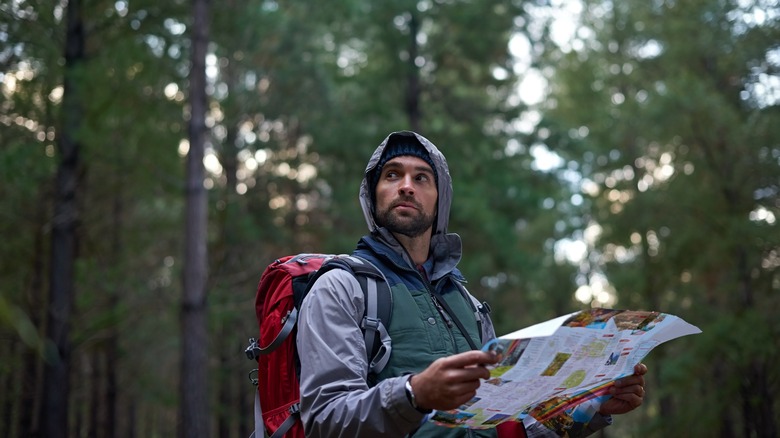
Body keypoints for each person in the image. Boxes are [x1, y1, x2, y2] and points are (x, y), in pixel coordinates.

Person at [296, 131, 647, 437]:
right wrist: (413, 394)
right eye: (392, 175)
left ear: (440, 199)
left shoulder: (468, 306)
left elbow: (504, 426)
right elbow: (325, 420)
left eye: (422, 178)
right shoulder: (342, 288)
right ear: (373, 195)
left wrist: (590, 408)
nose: (406, 186)